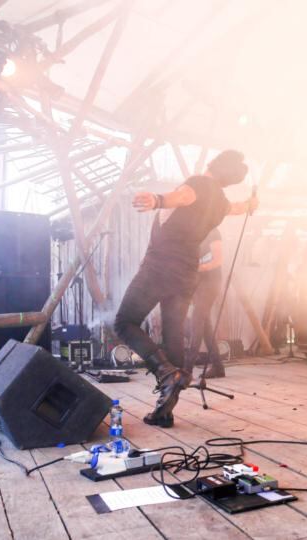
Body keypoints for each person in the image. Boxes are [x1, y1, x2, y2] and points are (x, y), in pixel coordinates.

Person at [114, 150, 258, 427]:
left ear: (212, 164)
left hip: (160, 267)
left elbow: (182, 197)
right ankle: (165, 410)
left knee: (124, 322)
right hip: (187, 273)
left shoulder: (200, 183)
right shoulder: (222, 202)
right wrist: (252, 203)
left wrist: (158, 200)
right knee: (173, 335)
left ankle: (165, 372)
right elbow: (239, 209)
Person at [189, 227, 225, 378]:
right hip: (198, 284)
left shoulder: (213, 232)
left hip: (211, 282)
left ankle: (187, 368)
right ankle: (218, 366)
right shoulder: (192, 233)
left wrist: (201, 267)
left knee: (197, 320)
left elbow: (218, 259)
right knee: (205, 326)